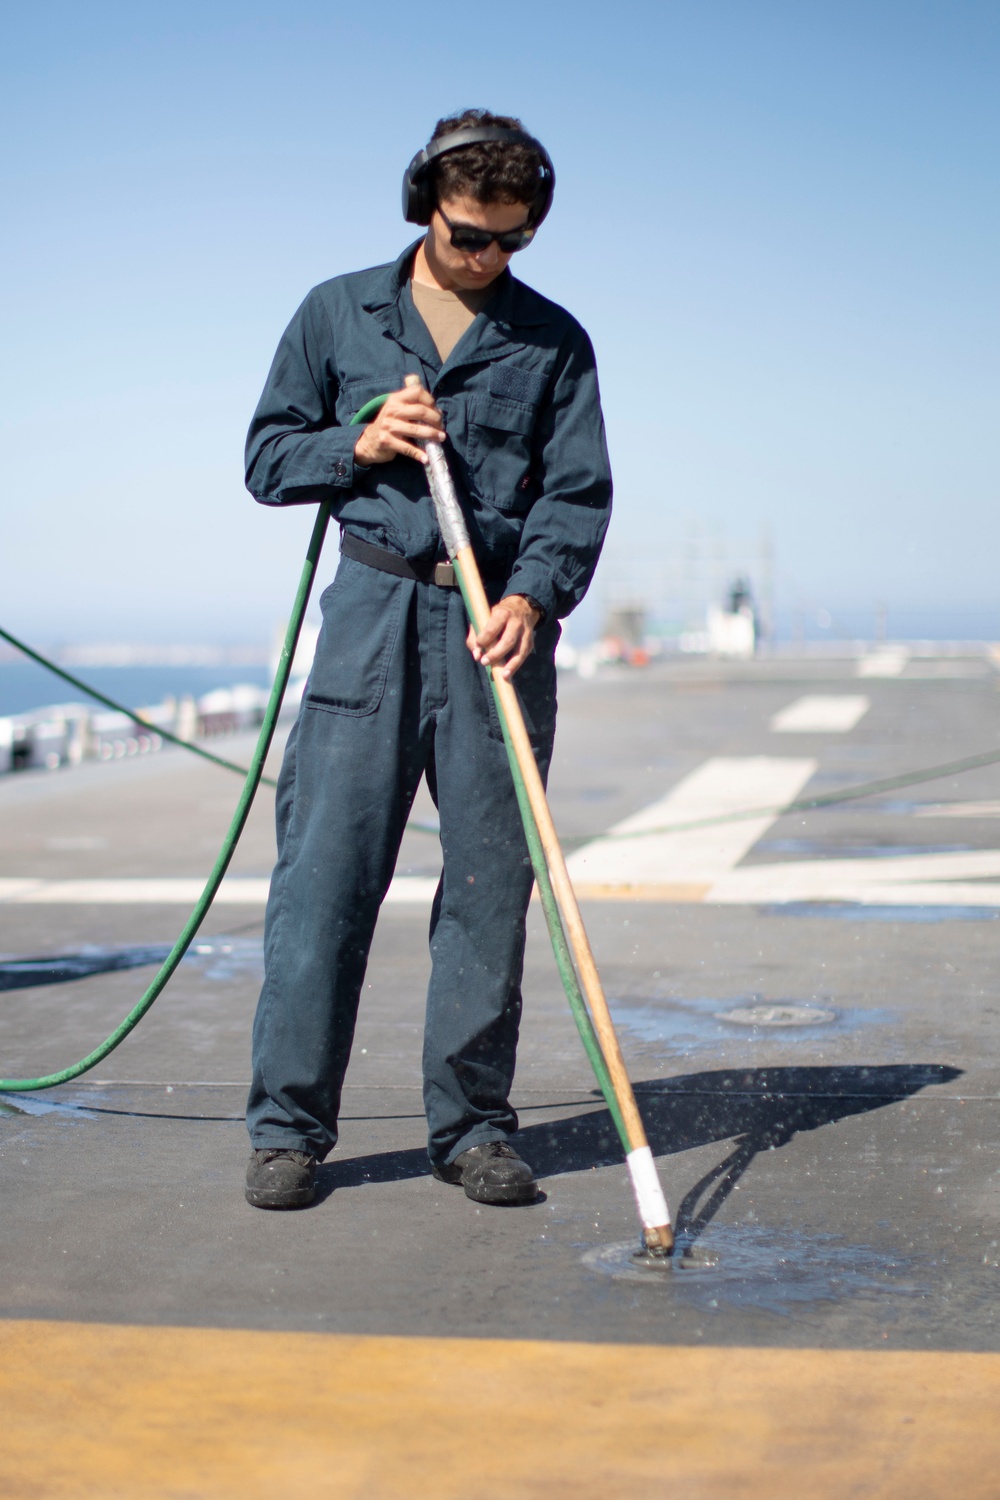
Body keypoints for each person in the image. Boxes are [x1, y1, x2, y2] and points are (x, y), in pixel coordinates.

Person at [243, 109, 612, 1210]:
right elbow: (266, 458)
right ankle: (289, 1132)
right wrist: (353, 445)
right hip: (371, 612)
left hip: (492, 634)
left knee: (491, 887)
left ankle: (473, 1128)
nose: (486, 259)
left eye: (509, 242)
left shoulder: (554, 342)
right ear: (425, 209)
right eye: (467, 236)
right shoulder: (334, 312)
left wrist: (535, 600)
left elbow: (576, 497)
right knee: (324, 881)